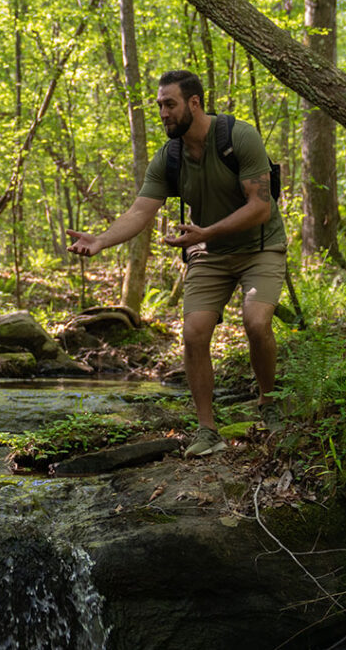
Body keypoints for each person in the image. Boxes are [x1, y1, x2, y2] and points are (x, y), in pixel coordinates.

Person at [66, 70, 287, 457]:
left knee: (256, 321)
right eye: (159, 106)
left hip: (259, 248)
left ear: (195, 103)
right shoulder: (169, 157)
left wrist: (206, 232)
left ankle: (269, 404)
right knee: (194, 333)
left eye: (170, 104)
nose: (163, 113)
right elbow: (140, 211)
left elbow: (261, 208)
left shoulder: (240, 137)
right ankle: (207, 430)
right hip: (208, 255)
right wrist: (100, 240)